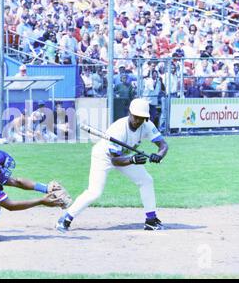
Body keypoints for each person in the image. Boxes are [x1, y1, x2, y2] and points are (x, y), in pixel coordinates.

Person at [56, 98, 169, 232]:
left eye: (142, 118)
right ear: (130, 113)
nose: (138, 120)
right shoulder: (118, 129)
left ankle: (151, 220)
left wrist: (159, 155)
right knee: (94, 192)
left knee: (146, 180)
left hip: (125, 156)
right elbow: (115, 160)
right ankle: (66, 218)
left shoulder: (147, 125)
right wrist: (132, 160)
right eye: (136, 117)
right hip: (103, 157)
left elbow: (163, 144)